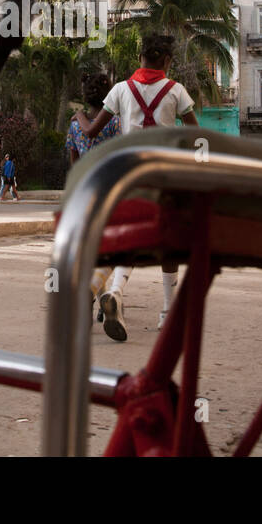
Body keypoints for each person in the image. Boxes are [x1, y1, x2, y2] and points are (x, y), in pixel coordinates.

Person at [74, 35, 198, 341]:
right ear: (167, 61)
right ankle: (167, 313)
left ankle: (109, 292)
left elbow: (90, 132)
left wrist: (78, 114)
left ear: (140, 58)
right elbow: (196, 135)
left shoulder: (120, 90)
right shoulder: (175, 90)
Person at [65, 71, 121, 314]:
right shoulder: (116, 123)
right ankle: (99, 295)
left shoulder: (75, 124)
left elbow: (73, 161)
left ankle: (99, 298)